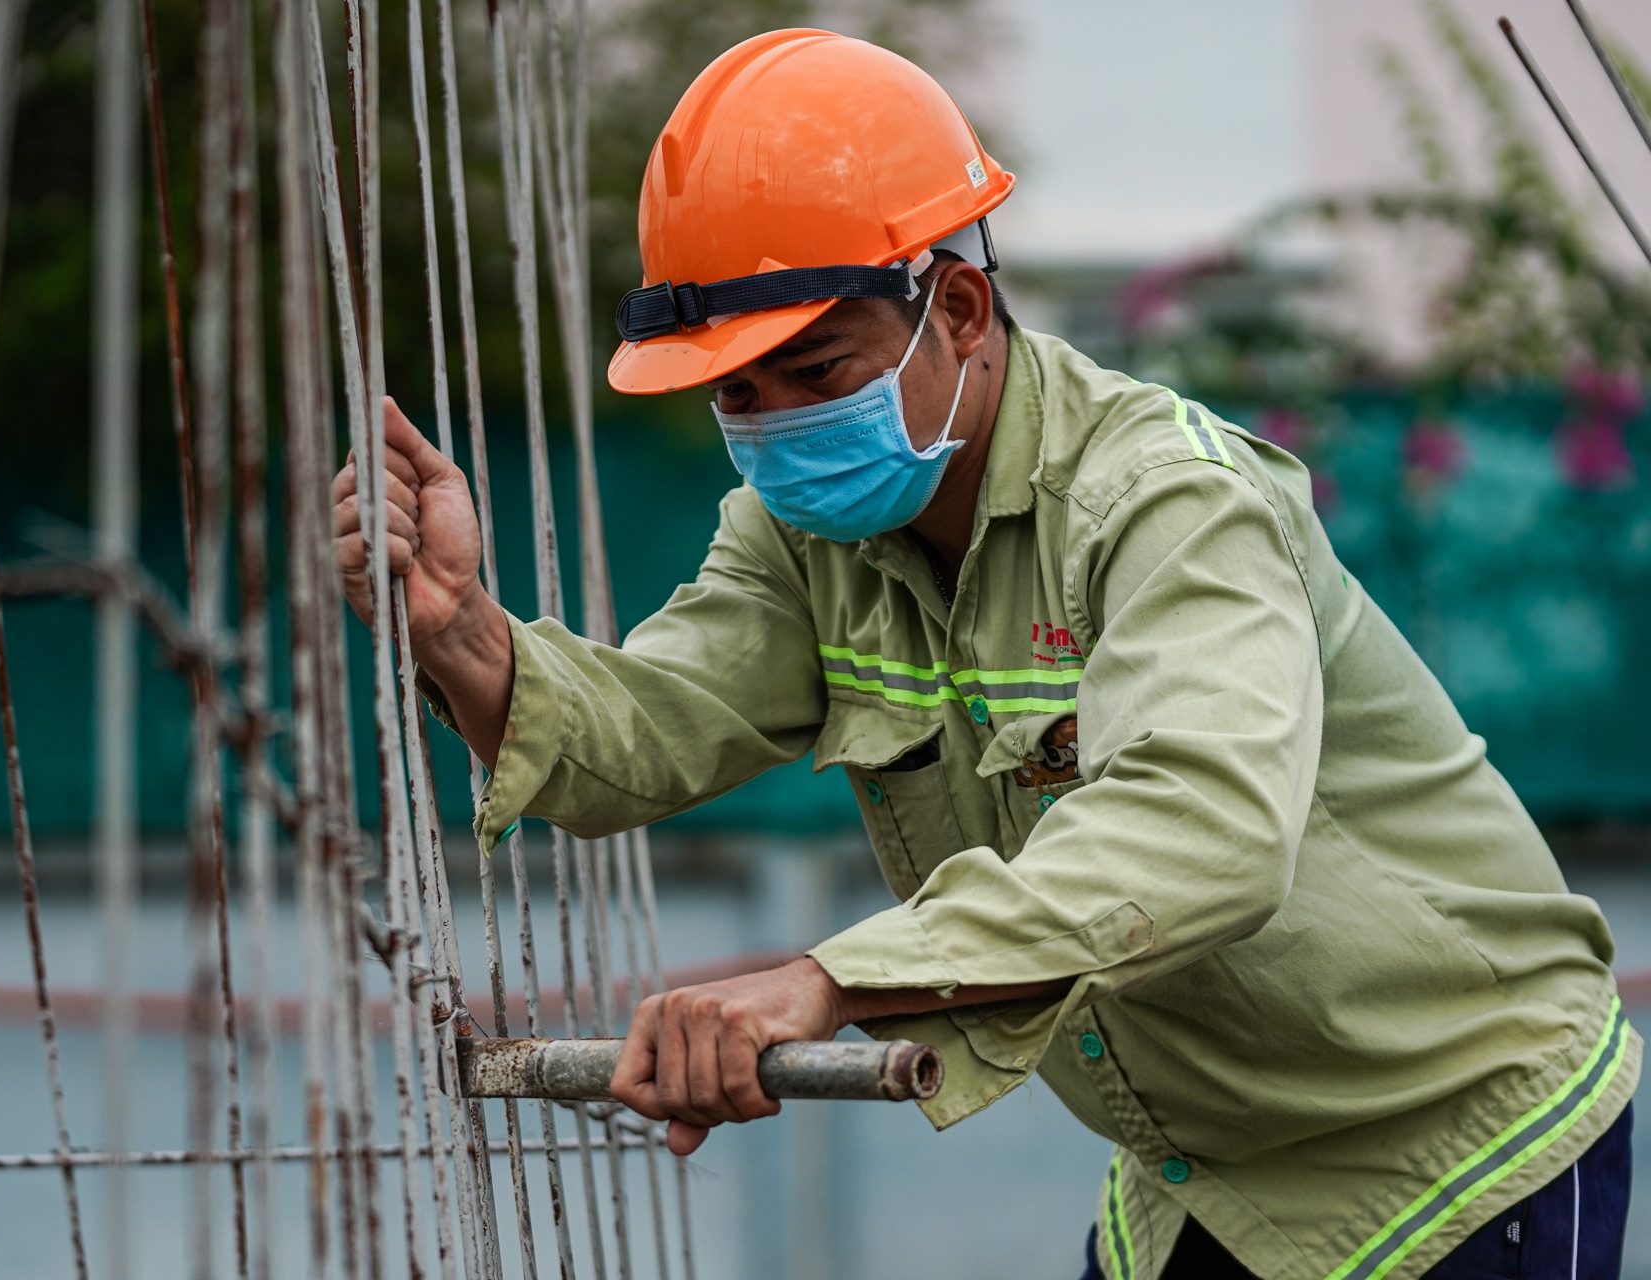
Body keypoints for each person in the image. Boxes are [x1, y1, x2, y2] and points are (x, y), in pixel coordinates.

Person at [333, 29, 1638, 1280]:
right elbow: (655, 722)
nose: (778, 426)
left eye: (818, 371)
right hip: (1197, 1167)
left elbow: (1205, 825)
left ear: (958, 308)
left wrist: (828, 983)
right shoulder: (802, 536)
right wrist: (462, 633)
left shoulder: (1163, 502)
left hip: (1448, 1135)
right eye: (738, 393)